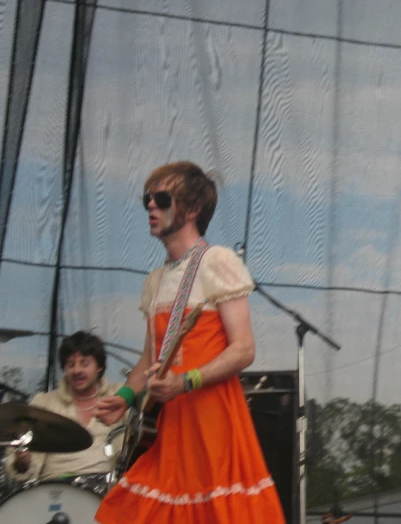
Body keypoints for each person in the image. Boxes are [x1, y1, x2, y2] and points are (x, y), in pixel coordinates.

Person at [94, 161, 284, 523]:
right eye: (147, 199)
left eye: (162, 198)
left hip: (213, 424)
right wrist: (124, 397)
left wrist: (186, 381)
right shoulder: (154, 281)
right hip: (168, 428)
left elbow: (243, 349)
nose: (151, 205)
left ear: (193, 208)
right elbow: (148, 360)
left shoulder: (218, 261)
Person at [4, 331, 125, 482]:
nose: (76, 370)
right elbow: (20, 470)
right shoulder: (44, 403)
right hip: (54, 490)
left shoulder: (117, 397)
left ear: (99, 367)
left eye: (84, 363)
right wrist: (22, 462)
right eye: (70, 364)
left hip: (107, 491)